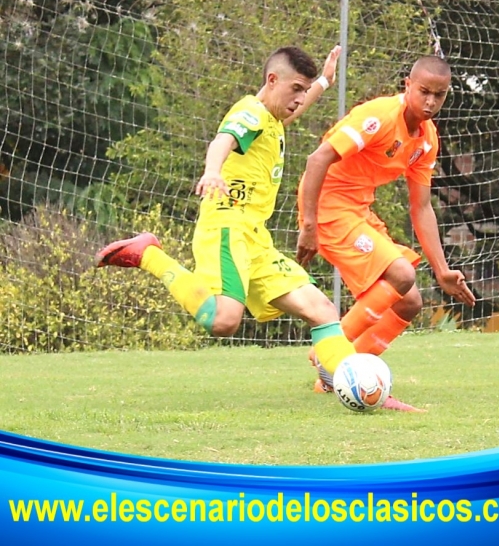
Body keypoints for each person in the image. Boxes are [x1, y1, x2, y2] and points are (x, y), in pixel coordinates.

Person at [95, 45, 359, 385]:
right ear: (272, 79)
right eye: (296, 89)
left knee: (321, 310)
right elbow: (224, 138)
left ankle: (356, 386)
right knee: (223, 321)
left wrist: (323, 81)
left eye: (303, 91)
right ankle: (149, 255)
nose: (299, 98)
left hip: (255, 237)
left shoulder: (273, 119)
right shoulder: (250, 111)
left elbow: (292, 112)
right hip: (227, 226)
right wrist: (212, 171)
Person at [296, 55, 477, 412]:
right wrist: (309, 226)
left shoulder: (426, 140)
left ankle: (338, 378)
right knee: (401, 272)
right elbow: (317, 160)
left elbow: (422, 208)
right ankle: (329, 352)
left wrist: (442, 270)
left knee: (409, 301)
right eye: (423, 91)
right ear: (408, 86)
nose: (429, 102)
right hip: (329, 210)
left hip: (357, 211)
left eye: (438, 95)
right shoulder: (378, 117)